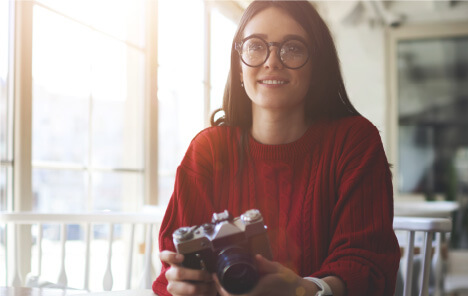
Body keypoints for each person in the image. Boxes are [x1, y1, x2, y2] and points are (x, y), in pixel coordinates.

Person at [152, 1, 400, 296]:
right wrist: (184, 282)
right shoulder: (207, 150)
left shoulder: (355, 142)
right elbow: (172, 270)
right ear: (239, 62)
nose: (272, 62)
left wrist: (304, 291)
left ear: (317, 64)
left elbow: (366, 265)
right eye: (255, 46)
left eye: (292, 48)